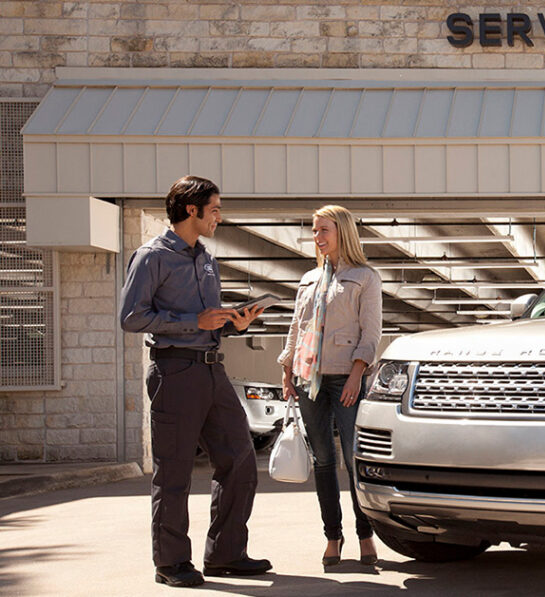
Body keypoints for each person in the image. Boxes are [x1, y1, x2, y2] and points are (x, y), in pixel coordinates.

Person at [120, 175, 272, 588]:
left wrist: (234, 322)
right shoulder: (152, 256)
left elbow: (209, 323)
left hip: (212, 368)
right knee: (174, 472)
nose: (220, 217)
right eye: (216, 209)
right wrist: (193, 322)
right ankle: (171, 563)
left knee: (240, 458)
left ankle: (225, 554)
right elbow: (130, 317)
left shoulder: (206, 258)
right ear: (192, 210)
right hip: (174, 372)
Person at [278, 205, 383, 567]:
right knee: (323, 460)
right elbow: (297, 328)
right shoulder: (308, 279)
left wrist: (357, 375)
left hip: (346, 378)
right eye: (314, 231)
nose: (317, 237)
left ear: (343, 233)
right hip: (309, 380)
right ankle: (332, 536)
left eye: (324, 230)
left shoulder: (366, 278)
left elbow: (371, 334)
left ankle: (365, 534)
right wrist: (286, 369)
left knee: (355, 461)